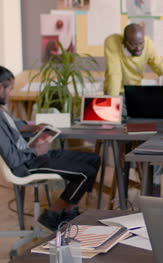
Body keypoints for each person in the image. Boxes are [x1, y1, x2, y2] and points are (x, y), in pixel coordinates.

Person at [0, 66, 100, 231]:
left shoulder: (2, 112)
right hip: (26, 165)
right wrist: (36, 151)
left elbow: (12, 126)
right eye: (9, 88)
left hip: (31, 155)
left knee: (94, 159)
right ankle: (52, 214)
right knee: (85, 173)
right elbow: (13, 158)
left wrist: (30, 127)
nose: (11, 93)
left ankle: (69, 210)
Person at [104, 23, 163, 96]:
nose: (138, 48)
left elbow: (159, 66)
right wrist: (113, 100)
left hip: (134, 91)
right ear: (124, 42)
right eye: (134, 45)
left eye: (141, 43)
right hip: (115, 91)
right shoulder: (113, 42)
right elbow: (115, 74)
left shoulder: (147, 43)